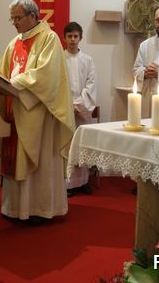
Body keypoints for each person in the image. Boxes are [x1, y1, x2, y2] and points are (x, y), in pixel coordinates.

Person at [0, 0, 75, 226]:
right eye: (12, 18)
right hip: (15, 109)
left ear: (32, 16)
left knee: (40, 163)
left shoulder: (49, 38)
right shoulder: (14, 42)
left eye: (17, 18)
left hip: (39, 114)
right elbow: (1, 71)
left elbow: (47, 76)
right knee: (16, 159)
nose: (14, 22)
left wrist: (14, 82)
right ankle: (14, 207)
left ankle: (39, 208)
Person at [63, 22, 97, 197]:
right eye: (69, 36)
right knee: (68, 146)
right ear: (64, 38)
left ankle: (83, 181)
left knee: (82, 146)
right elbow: (56, 84)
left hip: (82, 109)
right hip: (65, 109)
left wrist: (79, 104)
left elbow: (91, 84)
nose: (72, 39)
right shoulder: (59, 59)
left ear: (80, 38)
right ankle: (68, 183)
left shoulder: (87, 60)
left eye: (75, 36)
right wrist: (67, 104)